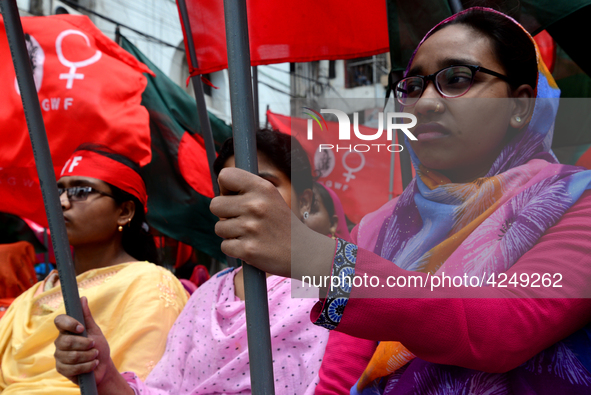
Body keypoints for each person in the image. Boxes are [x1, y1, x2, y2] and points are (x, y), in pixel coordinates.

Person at [209, 7, 591, 394]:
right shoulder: (377, 230)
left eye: (457, 79)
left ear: (520, 106)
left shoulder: (577, 201)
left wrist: (319, 260)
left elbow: (503, 328)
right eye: (412, 86)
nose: (424, 103)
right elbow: (341, 380)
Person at [53, 129, 329, 394]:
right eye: (231, 192)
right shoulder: (207, 296)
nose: (245, 202)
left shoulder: (327, 287)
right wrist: (104, 373)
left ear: (305, 201)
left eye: (266, 186)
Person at [0, 145, 188, 395]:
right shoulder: (32, 294)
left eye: (81, 191)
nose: (62, 202)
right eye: (58, 191)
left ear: (124, 212)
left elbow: (144, 382)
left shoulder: (150, 283)